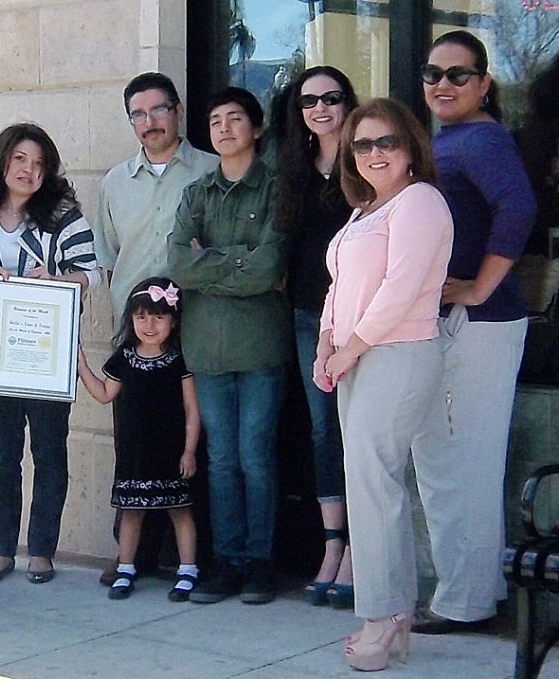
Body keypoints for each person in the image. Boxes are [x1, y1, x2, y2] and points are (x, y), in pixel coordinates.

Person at [315, 98, 453, 671]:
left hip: (396, 355)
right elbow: (339, 286)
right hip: (359, 358)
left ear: (410, 146)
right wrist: (327, 341)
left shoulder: (421, 202)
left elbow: (399, 291)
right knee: (368, 484)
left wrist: (348, 348)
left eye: (386, 141)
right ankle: (386, 612)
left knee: (377, 489)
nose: (374, 153)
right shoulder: (364, 210)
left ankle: (387, 612)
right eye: (363, 144)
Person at [410, 30, 536, 635]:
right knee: (444, 461)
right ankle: (466, 595)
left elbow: (519, 207)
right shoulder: (453, 139)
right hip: (453, 325)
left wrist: (480, 286)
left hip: (478, 325)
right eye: (434, 73)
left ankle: (466, 602)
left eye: (458, 74)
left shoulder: (482, 139)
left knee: (465, 465)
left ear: (485, 83)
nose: (443, 84)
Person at [94, 72, 218, 585]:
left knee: (192, 438)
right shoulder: (114, 183)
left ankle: (192, 557)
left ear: (178, 110)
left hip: (198, 333)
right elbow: (107, 258)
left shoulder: (213, 171)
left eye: (158, 110)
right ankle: (134, 554)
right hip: (136, 338)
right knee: (135, 440)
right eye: (138, 114)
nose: (149, 122)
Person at [168, 86, 291, 605]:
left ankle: (261, 562)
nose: (223, 128)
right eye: (214, 120)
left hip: (261, 347)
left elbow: (272, 265)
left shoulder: (277, 189)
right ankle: (227, 561)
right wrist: (239, 261)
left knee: (255, 456)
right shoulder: (197, 194)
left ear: (256, 128)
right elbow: (177, 263)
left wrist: (212, 262)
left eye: (234, 118)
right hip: (208, 350)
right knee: (219, 460)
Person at [0, 123, 101, 585]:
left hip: (49, 355)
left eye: (38, 162)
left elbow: (91, 272)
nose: (28, 170)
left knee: (50, 452)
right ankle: (1, 549)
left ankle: (42, 551)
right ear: (3, 160)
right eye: (20, 159)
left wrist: (57, 281)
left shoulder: (63, 216)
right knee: (1, 454)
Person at [276, 66, 358, 609]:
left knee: (364, 433)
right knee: (324, 432)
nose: (321, 108)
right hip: (310, 316)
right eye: (309, 101)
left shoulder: (367, 160)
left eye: (331, 98)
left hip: (364, 320)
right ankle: (332, 547)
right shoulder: (294, 168)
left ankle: (360, 550)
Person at [77, 277, 201, 602]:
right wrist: (81, 367)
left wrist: (189, 451)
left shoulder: (179, 360)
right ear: (131, 320)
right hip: (135, 453)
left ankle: (188, 569)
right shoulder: (123, 358)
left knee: (180, 510)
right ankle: (127, 568)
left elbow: (191, 409)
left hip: (172, 452)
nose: (149, 324)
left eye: (159, 317)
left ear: (173, 321)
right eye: (141, 316)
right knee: (132, 511)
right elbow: (105, 394)